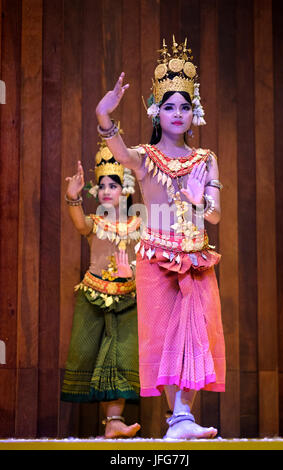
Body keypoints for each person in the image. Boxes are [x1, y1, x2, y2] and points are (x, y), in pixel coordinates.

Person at [95, 36, 226, 440]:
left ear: (194, 112)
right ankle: (180, 418)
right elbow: (118, 150)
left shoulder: (205, 160)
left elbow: (216, 215)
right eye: (169, 106)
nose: (178, 113)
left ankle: (183, 418)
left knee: (196, 337)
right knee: (167, 339)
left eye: (185, 106)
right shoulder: (145, 157)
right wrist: (104, 115)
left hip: (196, 260)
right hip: (157, 262)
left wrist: (196, 202)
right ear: (156, 110)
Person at [61, 136, 141, 439]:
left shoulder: (140, 227)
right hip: (94, 297)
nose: (107, 191)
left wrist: (130, 270)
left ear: (127, 188)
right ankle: (111, 423)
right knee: (91, 355)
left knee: (120, 356)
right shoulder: (95, 222)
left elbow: (145, 262)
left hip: (128, 300)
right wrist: (73, 196)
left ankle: (115, 421)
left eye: (114, 185)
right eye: (103, 185)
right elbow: (80, 225)